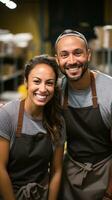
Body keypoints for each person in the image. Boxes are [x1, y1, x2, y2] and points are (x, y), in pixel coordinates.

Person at [55, 29, 112, 200]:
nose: (71, 61)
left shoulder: (109, 91)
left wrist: (109, 192)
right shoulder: (56, 91)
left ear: (88, 55)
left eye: (77, 53)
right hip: (71, 170)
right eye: (64, 55)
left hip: (106, 171)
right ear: (57, 60)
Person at [0, 54, 66, 200]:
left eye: (49, 83)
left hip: (40, 194)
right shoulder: (7, 115)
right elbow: (0, 169)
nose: (42, 89)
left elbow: (56, 171)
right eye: (37, 81)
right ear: (26, 82)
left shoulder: (57, 121)